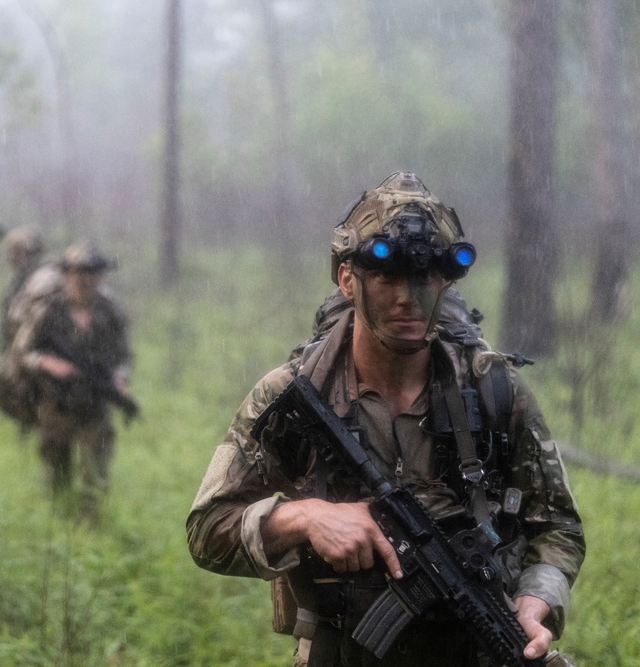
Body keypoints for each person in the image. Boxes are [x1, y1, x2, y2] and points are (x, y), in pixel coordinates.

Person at [186, 172, 585, 666]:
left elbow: (558, 527)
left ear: (446, 279)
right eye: (387, 276)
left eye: (425, 279)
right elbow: (207, 531)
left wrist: (536, 599)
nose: (407, 299)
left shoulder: (493, 392)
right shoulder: (294, 394)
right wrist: (306, 517)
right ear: (347, 278)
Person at [22, 241, 134, 519]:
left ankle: (89, 534)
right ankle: (59, 532)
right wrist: (46, 362)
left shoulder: (110, 312)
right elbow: (24, 352)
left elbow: (124, 356)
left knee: (94, 477)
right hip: (56, 406)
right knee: (57, 475)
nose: (85, 280)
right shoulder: (48, 311)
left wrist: (120, 379)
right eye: (78, 273)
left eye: (92, 273)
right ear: (66, 274)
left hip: (96, 405)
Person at [0, 225, 45, 351]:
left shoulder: (42, 283)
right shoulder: (18, 281)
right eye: (10, 251)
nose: (11, 257)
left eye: (16, 252)